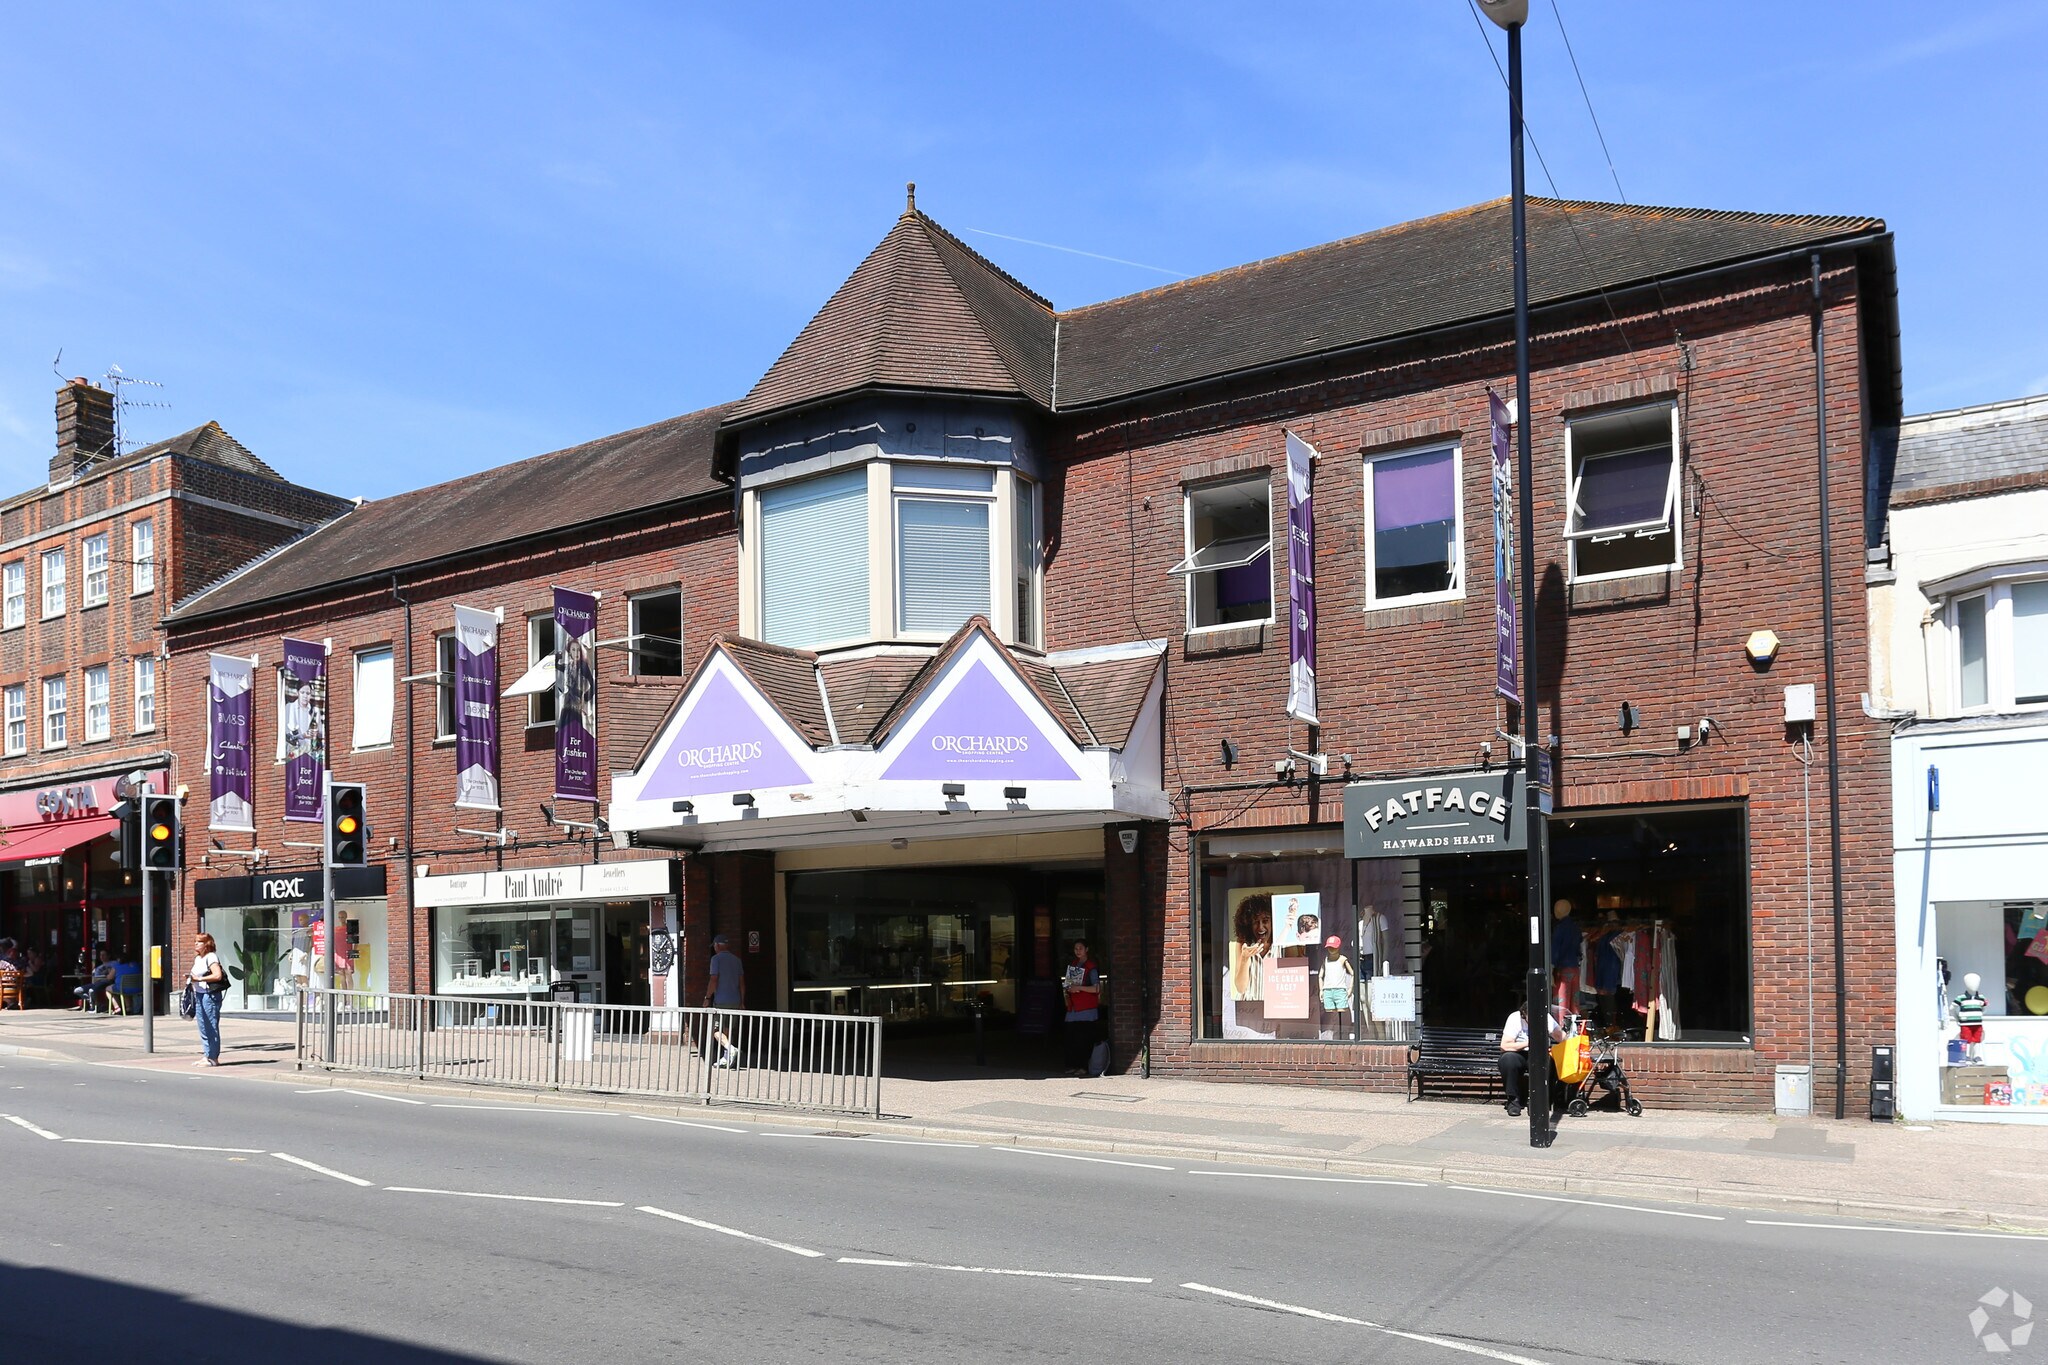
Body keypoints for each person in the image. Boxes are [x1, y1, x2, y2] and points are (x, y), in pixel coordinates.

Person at [1497, 998, 1566, 1118]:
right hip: (1518, 1052)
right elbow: (1505, 1045)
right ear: (1524, 1015)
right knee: (1507, 1060)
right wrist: (1529, 1043)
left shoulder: (1545, 1017)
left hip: (1538, 1053)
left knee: (1546, 1061)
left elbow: (1561, 1037)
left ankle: (1536, 1102)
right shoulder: (1514, 1018)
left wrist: (1572, 1037)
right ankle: (1513, 1101)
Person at [1061, 939, 1102, 1078]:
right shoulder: (1073, 965)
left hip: (1086, 1009)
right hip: (1073, 1008)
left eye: (1080, 948)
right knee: (1071, 1038)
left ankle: (1083, 1066)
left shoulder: (1091, 967)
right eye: (1075, 948)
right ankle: (1073, 1065)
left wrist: (1078, 988)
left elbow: (1096, 988)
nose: (1078, 951)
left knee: (1083, 1039)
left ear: (1087, 949)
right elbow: (1068, 983)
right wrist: (1068, 989)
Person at [704, 933, 744, 1068]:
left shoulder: (716, 960)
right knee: (728, 1029)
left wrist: (707, 998)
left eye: (714, 946)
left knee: (715, 1030)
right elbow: (742, 983)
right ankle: (726, 1058)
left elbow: (713, 980)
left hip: (721, 1000)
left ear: (717, 946)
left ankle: (730, 1049)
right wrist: (742, 1001)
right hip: (735, 1000)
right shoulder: (737, 960)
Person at [189, 932, 229, 1066]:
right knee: (203, 1026)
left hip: (209, 995)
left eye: (199, 942)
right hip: (199, 994)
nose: (196, 944)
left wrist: (199, 979)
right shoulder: (198, 958)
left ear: (207, 944)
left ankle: (213, 1057)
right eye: (195, 941)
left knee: (211, 1025)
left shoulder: (211, 957)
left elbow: (217, 975)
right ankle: (207, 1055)